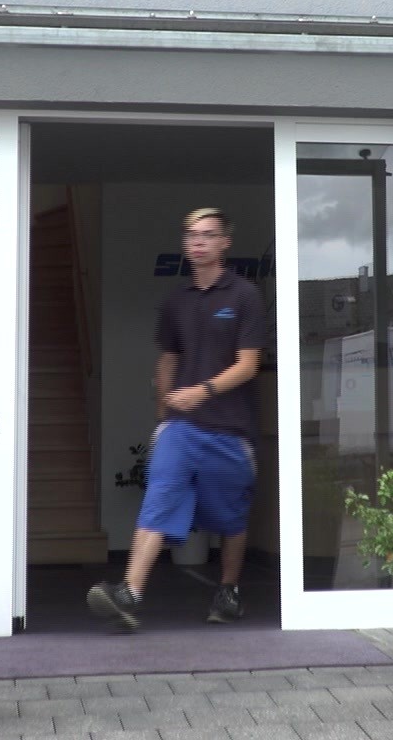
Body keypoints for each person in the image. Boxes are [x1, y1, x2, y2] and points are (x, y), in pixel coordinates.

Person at [87, 207, 265, 633]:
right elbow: (168, 360)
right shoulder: (176, 302)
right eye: (191, 235)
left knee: (231, 518)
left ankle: (228, 591)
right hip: (181, 429)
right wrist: (162, 418)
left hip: (231, 430)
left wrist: (202, 391)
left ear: (225, 243)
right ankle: (130, 594)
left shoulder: (245, 295)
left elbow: (248, 365)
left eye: (208, 234)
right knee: (160, 495)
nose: (198, 241)